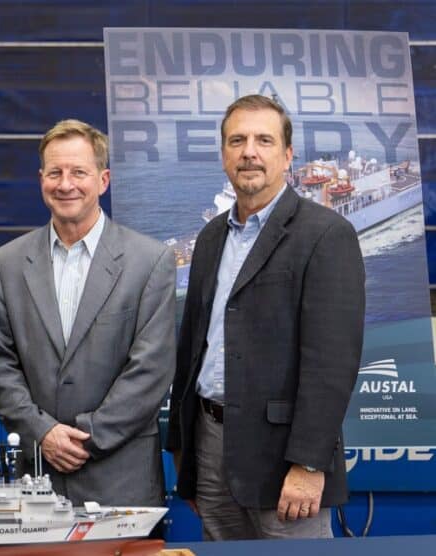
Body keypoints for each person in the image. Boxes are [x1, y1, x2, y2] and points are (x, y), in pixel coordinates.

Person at [167, 94, 365, 540]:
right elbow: (192, 346)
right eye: (237, 141)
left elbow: (331, 364)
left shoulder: (327, 234)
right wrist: (183, 447)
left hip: (284, 460)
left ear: (288, 154)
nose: (249, 152)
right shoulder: (210, 239)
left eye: (264, 140)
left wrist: (309, 463)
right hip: (210, 450)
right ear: (223, 154)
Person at [0, 119, 175, 508]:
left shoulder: (150, 261)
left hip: (122, 482)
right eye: (55, 173)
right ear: (41, 180)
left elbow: (151, 369)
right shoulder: (5, 264)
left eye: (78, 172)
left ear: (103, 180)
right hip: (37, 479)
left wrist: (86, 437)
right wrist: (44, 433)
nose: (65, 184)